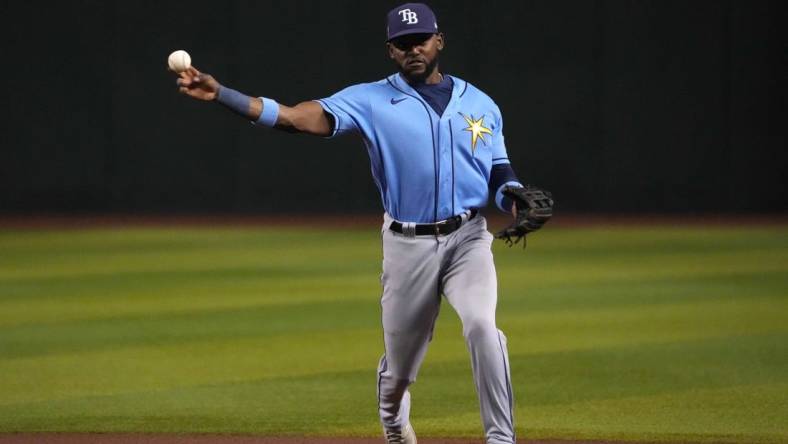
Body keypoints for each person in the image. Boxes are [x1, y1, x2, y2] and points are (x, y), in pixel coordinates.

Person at [173, 3, 553, 443]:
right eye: (402, 44)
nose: (413, 50)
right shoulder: (369, 100)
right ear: (391, 51)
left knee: (483, 327)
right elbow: (296, 118)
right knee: (400, 368)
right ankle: (393, 421)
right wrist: (224, 94)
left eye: (421, 40)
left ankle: (501, 438)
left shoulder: (482, 104)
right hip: (408, 246)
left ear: (439, 41)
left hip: (468, 238)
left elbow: (500, 172)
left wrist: (514, 198)